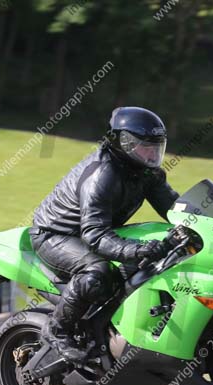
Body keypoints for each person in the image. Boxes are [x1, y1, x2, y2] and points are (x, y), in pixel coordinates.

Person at [30, 106, 179, 363]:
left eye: (158, 146)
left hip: (97, 231)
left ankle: (114, 329)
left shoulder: (147, 172)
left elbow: (176, 209)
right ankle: (57, 330)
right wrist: (138, 249)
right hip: (56, 235)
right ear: (124, 144)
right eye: (146, 146)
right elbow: (95, 237)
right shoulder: (103, 175)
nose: (153, 153)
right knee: (98, 272)